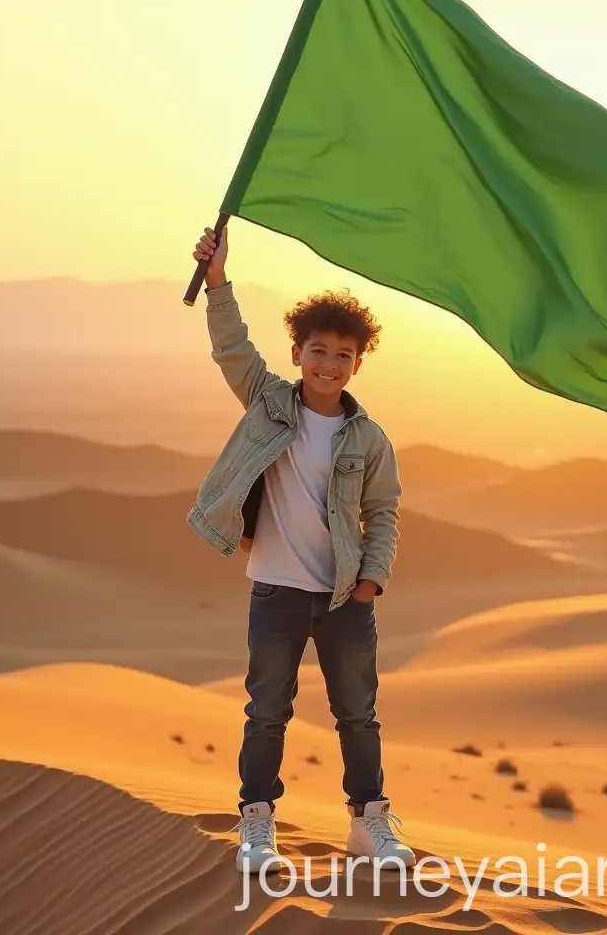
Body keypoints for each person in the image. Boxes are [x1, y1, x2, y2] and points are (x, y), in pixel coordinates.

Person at [187, 225, 416, 875]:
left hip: (345, 598)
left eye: (343, 355)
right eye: (318, 351)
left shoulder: (368, 438)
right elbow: (232, 347)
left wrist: (372, 581)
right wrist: (216, 278)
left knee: (358, 717)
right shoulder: (268, 403)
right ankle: (257, 826)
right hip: (276, 593)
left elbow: (384, 510)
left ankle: (369, 825)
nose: (328, 364)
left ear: (356, 363)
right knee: (265, 714)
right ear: (297, 352)